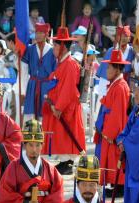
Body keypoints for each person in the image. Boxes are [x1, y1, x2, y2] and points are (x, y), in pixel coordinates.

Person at [41, 27, 86, 175]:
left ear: (63, 47)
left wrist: (59, 107)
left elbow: (69, 89)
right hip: (59, 105)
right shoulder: (62, 62)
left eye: (55, 45)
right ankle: (63, 160)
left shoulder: (70, 64)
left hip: (67, 107)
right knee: (61, 135)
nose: (53, 47)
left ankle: (68, 162)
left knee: (67, 135)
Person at [94, 49, 130, 194]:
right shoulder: (115, 84)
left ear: (117, 69)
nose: (107, 70)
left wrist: (109, 133)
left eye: (109, 67)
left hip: (113, 131)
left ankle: (119, 185)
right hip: (107, 127)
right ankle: (114, 184)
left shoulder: (120, 87)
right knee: (109, 158)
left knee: (115, 158)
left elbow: (117, 113)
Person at [21, 22, 56, 121]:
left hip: (46, 86)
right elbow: (23, 69)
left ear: (46, 35)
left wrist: (53, 91)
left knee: (45, 113)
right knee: (30, 113)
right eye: (37, 32)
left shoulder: (52, 51)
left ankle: (44, 135)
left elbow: (55, 73)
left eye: (41, 32)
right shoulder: (29, 49)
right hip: (32, 84)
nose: (38, 35)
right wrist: (23, 90)